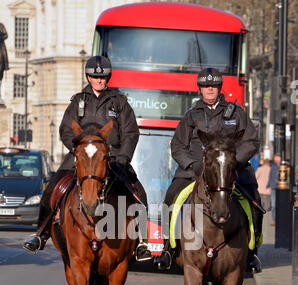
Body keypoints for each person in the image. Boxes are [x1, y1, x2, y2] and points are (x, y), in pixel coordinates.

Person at [23, 55, 151, 261]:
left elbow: (131, 132)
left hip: (114, 158)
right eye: (94, 77)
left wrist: (124, 157)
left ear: (108, 78)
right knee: (51, 191)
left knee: (140, 195)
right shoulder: (78, 101)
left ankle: (142, 242)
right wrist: (77, 151)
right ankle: (41, 234)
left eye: (103, 77)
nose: (99, 80)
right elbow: (66, 130)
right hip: (80, 158)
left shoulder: (119, 102)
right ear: (88, 77)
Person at [155, 67, 262, 273]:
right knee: (171, 197)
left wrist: (233, 163)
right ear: (200, 89)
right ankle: (167, 248)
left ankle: (251, 252)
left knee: (254, 201)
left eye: (213, 86)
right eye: (205, 86)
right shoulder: (191, 116)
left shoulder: (237, 112)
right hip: (194, 171)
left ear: (220, 88)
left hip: (231, 170)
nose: (210, 89)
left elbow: (251, 140)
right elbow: (177, 146)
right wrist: (191, 164)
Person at [267, 155, 281, 226]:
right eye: (276, 158)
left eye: (278, 158)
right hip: (273, 187)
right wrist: (268, 184)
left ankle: (280, 219)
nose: (276, 159)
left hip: (281, 188)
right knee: (273, 205)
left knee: (280, 204)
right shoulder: (273, 166)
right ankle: (275, 220)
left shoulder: (283, 166)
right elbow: (270, 176)